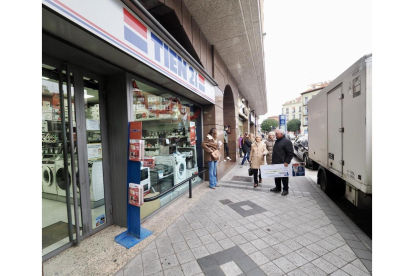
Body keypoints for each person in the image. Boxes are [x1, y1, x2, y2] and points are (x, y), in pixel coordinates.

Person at [271, 129, 294, 196]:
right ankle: (278, 188)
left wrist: (287, 161)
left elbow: (290, 153)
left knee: (284, 177)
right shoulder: (277, 141)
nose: (275, 135)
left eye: (277, 134)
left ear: (281, 134)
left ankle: (285, 190)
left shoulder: (287, 142)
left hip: (283, 163)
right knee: (276, 176)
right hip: (276, 162)